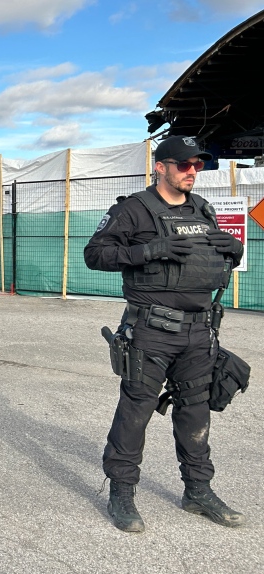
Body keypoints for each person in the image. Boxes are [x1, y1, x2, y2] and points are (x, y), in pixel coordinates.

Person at [84, 136, 245, 533]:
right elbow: (95, 255)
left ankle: (198, 490)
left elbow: (210, 262)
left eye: (199, 166)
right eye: (184, 165)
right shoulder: (133, 210)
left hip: (199, 331)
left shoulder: (202, 210)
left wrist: (236, 250)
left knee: (196, 411)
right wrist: (148, 251)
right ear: (161, 167)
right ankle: (121, 491)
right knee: (136, 411)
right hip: (151, 330)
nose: (193, 172)